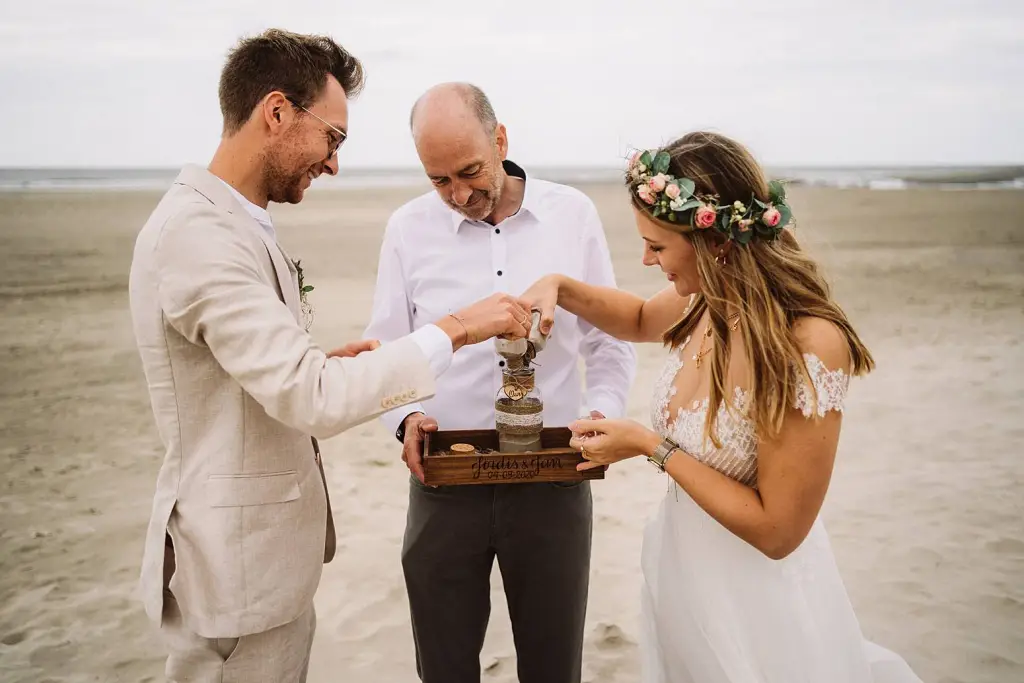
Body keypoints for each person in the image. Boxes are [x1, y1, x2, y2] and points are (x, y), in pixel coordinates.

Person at [128, 33, 532, 683]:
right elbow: (310, 395)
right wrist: (458, 326)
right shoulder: (199, 235)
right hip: (234, 575)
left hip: (265, 568)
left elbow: (272, 374)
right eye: (334, 138)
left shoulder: (235, 222)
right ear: (278, 112)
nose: (334, 164)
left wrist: (325, 359)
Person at [522, 131, 923, 682]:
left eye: (658, 247)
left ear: (716, 240)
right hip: (684, 576)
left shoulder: (807, 344)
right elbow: (638, 319)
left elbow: (779, 532)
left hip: (758, 604)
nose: (645, 259)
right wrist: (560, 286)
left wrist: (648, 445)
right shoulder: (709, 299)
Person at [362, 83, 636, 683]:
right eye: (440, 181)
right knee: (443, 665)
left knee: (553, 664)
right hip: (442, 482)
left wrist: (601, 412)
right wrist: (404, 421)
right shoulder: (406, 229)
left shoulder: (573, 215)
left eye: (470, 172)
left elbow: (607, 339)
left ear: (501, 140)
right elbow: (386, 349)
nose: (460, 195)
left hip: (555, 480)